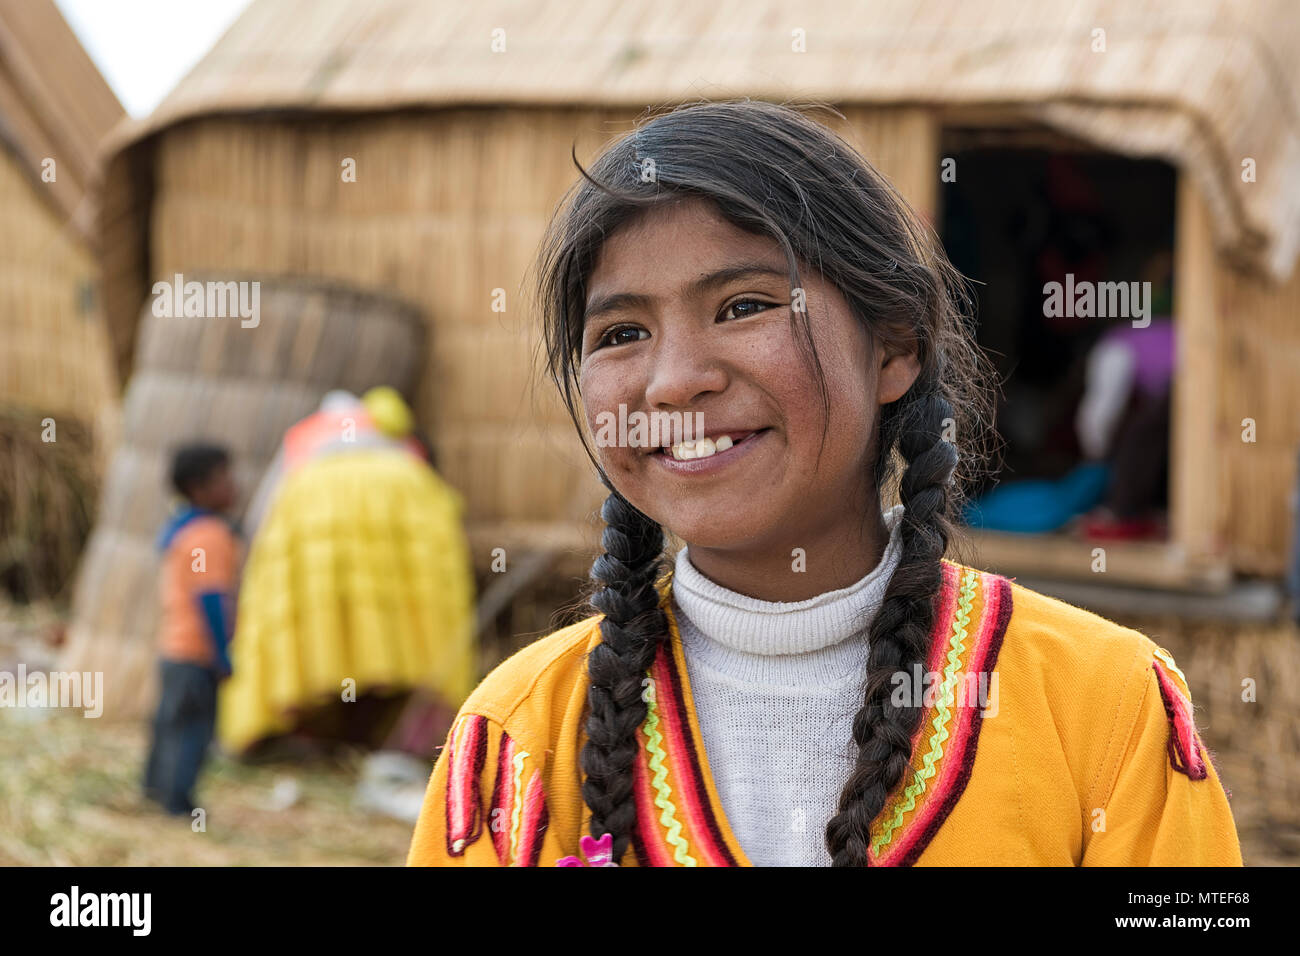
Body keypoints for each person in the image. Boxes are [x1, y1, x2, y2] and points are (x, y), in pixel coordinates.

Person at [407, 100, 1242, 867]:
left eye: (743, 306)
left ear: (893, 349)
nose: (671, 383)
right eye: (622, 332)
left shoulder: (1105, 713)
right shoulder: (519, 744)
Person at [143, 443, 241, 816]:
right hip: (196, 651)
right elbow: (210, 598)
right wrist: (221, 654)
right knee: (193, 729)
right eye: (225, 479)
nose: (235, 486)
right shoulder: (210, 535)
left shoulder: (181, 529)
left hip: (173, 648)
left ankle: (153, 789)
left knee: (168, 723)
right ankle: (178, 803)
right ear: (199, 488)